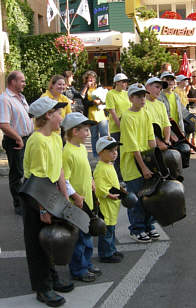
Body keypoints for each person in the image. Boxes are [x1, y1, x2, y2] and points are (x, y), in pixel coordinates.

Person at [22, 97, 74, 307]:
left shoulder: (54, 137)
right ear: (47, 116)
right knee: (37, 243)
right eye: (58, 113)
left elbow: (59, 168)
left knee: (50, 239)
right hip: (36, 195)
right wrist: (43, 208)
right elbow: (37, 180)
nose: (61, 117)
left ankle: (52, 278)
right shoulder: (37, 141)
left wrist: (65, 195)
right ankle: (43, 288)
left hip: (50, 190)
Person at [61, 112, 102, 283]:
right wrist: (75, 196)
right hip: (77, 203)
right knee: (79, 239)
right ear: (74, 131)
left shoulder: (82, 148)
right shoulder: (67, 152)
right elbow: (65, 179)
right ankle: (78, 269)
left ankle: (86, 264)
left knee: (87, 235)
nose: (88, 133)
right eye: (85, 130)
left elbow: (85, 168)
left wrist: (91, 180)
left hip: (87, 200)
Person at [120, 83, 157, 243]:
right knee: (136, 199)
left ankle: (149, 225)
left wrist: (156, 161)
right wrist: (143, 168)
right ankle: (136, 229)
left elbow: (151, 139)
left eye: (144, 96)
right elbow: (133, 146)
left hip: (146, 161)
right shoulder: (126, 117)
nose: (142, 99)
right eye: (139, 96)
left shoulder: (146, 113)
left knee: (149, 196)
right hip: (133, 164)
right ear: (131, 98)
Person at [0, 71, 34, 215]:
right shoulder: (5, 99)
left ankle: (27, 201)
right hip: (15, 140)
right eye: (22, 81)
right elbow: (3, 124)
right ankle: (18, 204)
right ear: (13, 82)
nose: (24, 84)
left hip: (26, 139)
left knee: (27, 170)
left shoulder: (20, 97)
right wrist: (18, 138)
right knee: (17, 173)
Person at [94, 136, 124, 263]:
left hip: (113, 205)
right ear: (101, 153)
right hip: (106, 205)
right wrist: (108, 194)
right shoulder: (100, 168)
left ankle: (111, 249)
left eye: (116, 150)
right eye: (111, 151)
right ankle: (106, 254)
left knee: (111, 229)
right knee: (106, 231)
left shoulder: (109, 165)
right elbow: (99, 188)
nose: (115, 153)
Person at [106, 73, 130, 181]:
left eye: (126, 82)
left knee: (127, 151)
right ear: (117, 82)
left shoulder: (126, 94)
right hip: (117, 128)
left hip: (128, 126)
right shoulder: (111, 94)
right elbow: (112, 112)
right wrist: (121, 127)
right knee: (117, 154)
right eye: (123, 82)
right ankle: (117, 178)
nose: (125, 84)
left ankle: (126, 174)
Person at [81, 70, 108, 157]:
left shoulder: (99, 87)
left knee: (104, 134)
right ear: (86, 79)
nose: (91, 80)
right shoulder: (85, 89)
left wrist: (100, 102)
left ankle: (105, 152)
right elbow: (83, 101)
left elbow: (106, 97)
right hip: (91, 115)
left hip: (101, 114)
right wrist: (93, 102)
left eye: (93, 78)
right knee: (94, 136)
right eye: (90, 79)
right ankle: (96, 155)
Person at [145, 76, 171, 151]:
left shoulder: (161, 104)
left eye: (160, 89)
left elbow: (166, 124)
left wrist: (166, 140)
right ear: (147, 87)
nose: (159, 90)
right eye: (157, 87)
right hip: (147, 143)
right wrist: (158, 143)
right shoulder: (141, 104)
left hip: (161, 141)